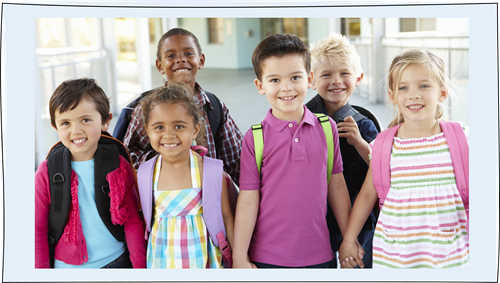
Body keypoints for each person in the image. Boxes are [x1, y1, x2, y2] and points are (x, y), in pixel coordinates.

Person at [233, 34, 357, 269]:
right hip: (266, 258)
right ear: (260, 86)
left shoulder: (326, 128)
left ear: (309, 79)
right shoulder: (254, 138)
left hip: (321, 254)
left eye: (295, 77)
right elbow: (248, 199)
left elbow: (337, 185)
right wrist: (240, 256)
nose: (286, 87)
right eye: (275, 80)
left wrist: (348, 239)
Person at [338, 49, 469, 269]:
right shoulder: (384, 145)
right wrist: (349, 240)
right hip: (396, 257)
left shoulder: (462, 138)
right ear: (392, 96)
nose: (413, 94)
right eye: (403, 87)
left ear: (442, 93)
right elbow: (367, 195)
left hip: (451, 255)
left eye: (424, 86)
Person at [35, 78, 146, 268]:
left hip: (117, 261)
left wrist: (141, 269)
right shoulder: (47, 171)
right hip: (67, 269)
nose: (76, 130)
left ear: (105, 121)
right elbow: (37, 229)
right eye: (65, 123)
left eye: (85, 120)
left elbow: (132, 221)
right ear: (55, 127)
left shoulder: (118, 164)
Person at [121, 28, 243, 185]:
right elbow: (128, 159)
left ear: (201, 60)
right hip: (162, 201)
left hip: (209, 201)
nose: (180, 60)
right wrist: (167, 158)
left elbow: (236, 163)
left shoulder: (214, 107)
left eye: (189, 54)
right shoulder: (147, 109)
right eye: (171, 56)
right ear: (159, 66)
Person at [137, 83, 234, 268]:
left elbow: (227, 217)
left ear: (195, 129)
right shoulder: (144, 174)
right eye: (159, 127)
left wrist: (237, 259)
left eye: (179, 126)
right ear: (147, 131)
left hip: (204, 262)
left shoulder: (211, 171)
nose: (169, 135)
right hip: (161, 262)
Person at [305, 33, 379, 268]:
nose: (336, 81)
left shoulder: (364, 121)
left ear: (358, 78)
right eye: (326, 74)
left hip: (360, 218)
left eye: (344, 73)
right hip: (317, 219)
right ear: (311, 80)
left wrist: (359, 142)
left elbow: (381, 167)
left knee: (359, 266)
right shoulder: (302, 118)